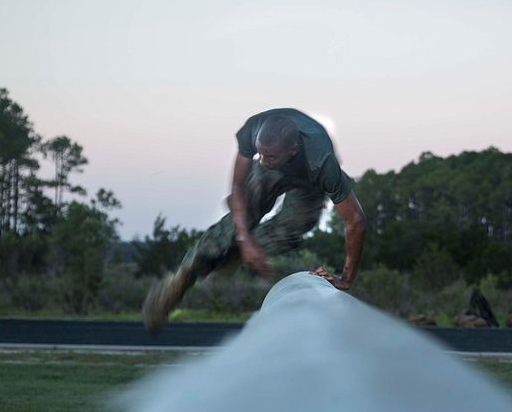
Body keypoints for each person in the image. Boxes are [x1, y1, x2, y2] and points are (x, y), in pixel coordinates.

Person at [142, 108, 366, 334]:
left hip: (309, 181)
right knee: (243, 213)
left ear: (293, 150)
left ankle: (238, 255)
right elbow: (238, 186)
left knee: (296, 224)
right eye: (260, 154)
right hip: (273, 169)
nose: (263, 160)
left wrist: (346, 278)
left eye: (270, 156)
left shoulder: (323, 163)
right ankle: (184, 275)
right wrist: (244, 237)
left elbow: (355, 220)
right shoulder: (253, 132)